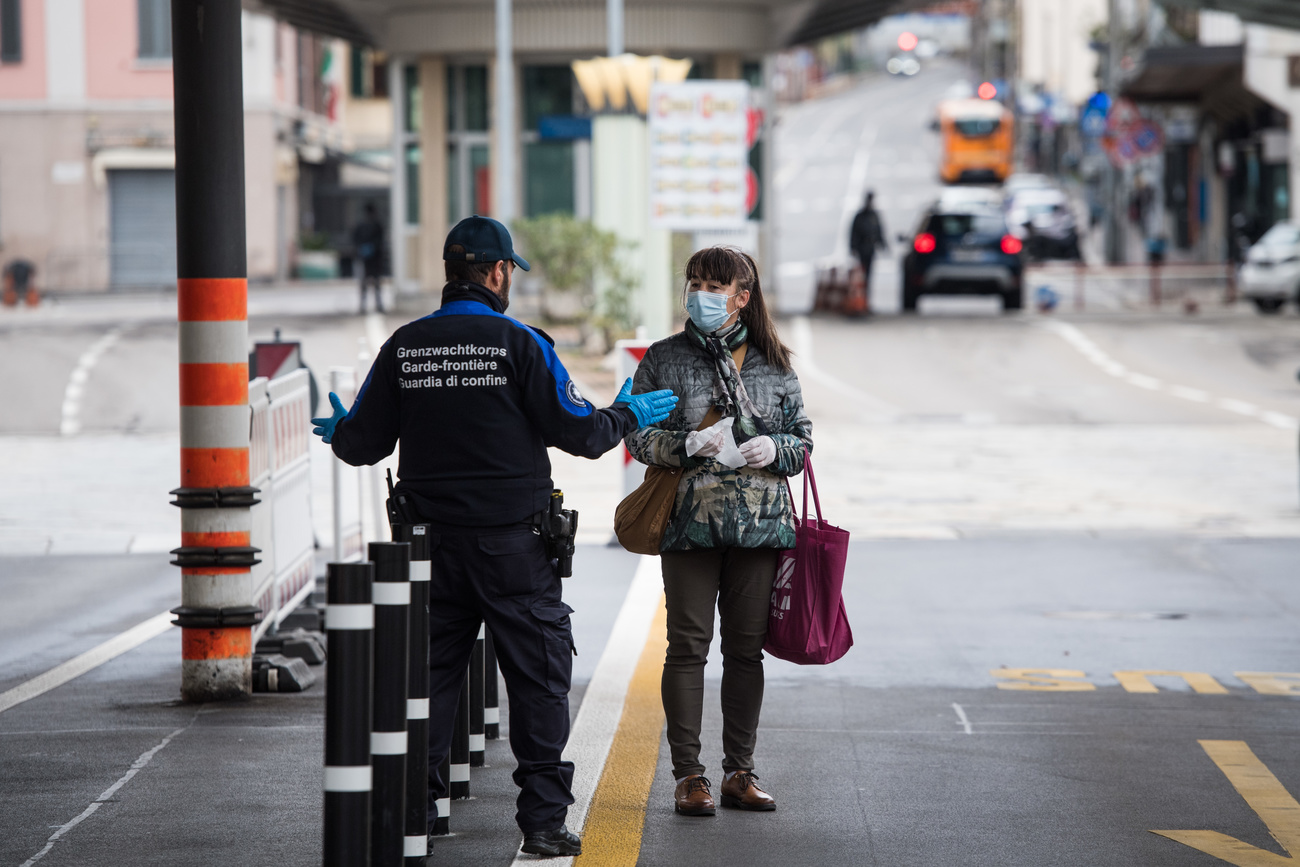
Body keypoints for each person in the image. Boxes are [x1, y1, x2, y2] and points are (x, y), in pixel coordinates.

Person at [311, 215, 678, 857]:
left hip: (428, 550)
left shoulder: (406, 345)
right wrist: (625, 412)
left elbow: (362, 445)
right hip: (515, 548)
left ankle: (416, 815)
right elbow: (583, 434)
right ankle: (540, 825)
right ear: (498, 272)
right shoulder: (520, 343)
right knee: (538, 679)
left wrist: (341, 430)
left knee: (426, 681)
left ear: (451, 274)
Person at [625, 246, 813, 818]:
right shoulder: (663, 358)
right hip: (687, 524)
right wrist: (684, 445)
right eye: (695, 283)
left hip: (758, 528)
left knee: (745, 652)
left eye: (715, 286)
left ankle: (739, 772)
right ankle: (689, 777)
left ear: (742, 297)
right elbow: (634, 434)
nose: (701, 295)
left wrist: (772, 448)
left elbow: (802, 441)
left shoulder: (775, 364)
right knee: (686, 648)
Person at [849, 190, 888, 290]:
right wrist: (853, 247)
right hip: (862, 248)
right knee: (862, 271)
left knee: (869, 272)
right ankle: (861, 292)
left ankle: (866, 292)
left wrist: (883, 244)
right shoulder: (860, 216)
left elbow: (879, 230)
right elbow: (854, 232)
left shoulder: (874, 215)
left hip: (870, 248)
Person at [352, 202, 385, 314]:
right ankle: (377, 306)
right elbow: (380, 242)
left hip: (366, 259)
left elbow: (355, 241)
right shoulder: (376, 225)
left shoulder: (361, 225)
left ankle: (364, 306)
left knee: (365, 284)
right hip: (373, 259)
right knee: (374, 284)